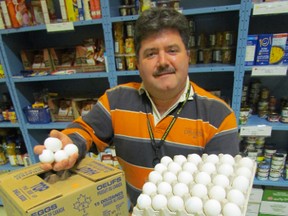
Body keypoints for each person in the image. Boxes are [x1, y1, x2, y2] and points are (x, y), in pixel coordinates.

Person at [34, 7, 240, 207]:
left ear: (188, 56)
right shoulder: (116, 101)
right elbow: (85, 132)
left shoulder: (219, 116)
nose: (162, 61)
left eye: (172, 50)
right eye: (151, 54)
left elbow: (219, 191)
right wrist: (69, 143)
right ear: (137, 64)